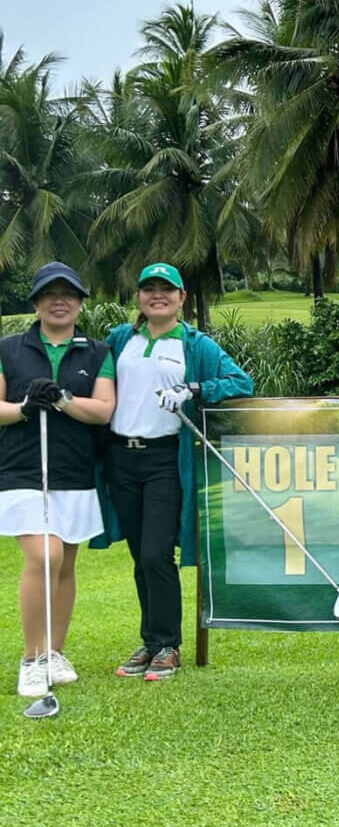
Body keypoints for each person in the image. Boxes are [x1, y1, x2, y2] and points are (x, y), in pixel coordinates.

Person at [94, 263, 253, 681]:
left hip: (165, 459)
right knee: (139, 556)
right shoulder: (119, 340)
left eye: (168, 289)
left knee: (155, 553)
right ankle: (150, 642)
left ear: (182, 298)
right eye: (149, 289)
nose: (158, 295)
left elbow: (241, 383)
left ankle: (167, 644)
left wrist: (195, 389)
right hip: (120, 458)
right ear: (138, 298)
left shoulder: (195, 345)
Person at [0, 263, 116, 697]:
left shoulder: (97, 352)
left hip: (73, 470)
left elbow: (103, 410)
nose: (60, 300)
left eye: (69, 293)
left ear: (81, 302)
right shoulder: (9, 349)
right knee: (45, 557)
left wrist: (64, 399)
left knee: (66, 564)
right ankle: (31, 658)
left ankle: (54, 651)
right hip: (22, 471)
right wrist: (26, 407)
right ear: (36, 302)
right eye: (50, 294)